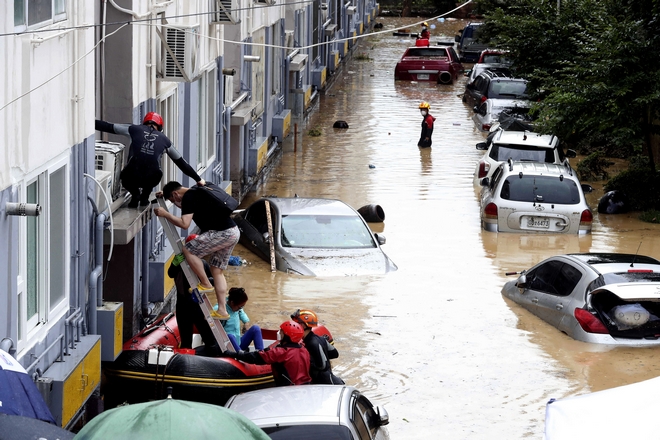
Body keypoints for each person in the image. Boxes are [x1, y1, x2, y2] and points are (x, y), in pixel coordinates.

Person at [154, 181, 240, 320]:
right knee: (217, 270)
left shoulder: (188, 198)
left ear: (176, 194)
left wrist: (165, 214)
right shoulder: (197, 190)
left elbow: (184, 223)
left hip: (222, 233)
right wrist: (166, 195)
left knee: (188, 250)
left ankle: (205, 283)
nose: (175, 203)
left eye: (172, 199)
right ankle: (222, 311)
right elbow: (183, 206)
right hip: (233, 231)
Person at [95, 112, 205, 208]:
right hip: (151, 178)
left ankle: (135, 194)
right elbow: (181, 163)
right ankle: (144, 197)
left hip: (131, 176)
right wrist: (198, 179)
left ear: (144, 123)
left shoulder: (133, 129)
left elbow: (108, 127)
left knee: (125, 175)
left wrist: (90, 122)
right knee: (155, 172)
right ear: (160, 127)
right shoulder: (165, 141)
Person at [220, 321, 311, 386]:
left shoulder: (281, 352)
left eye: (282, 332)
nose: (279, 334)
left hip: (289, 388)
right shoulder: (304, 349)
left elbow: (256, 357)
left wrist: (235, 354)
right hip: (305, 385)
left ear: (287, 336)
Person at [167, 240, 218, 354]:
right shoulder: (180, 264)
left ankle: (207, 357)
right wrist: (173, 264)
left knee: (209, 339)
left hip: (198, 306)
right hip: (183, 307)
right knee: (186, 340)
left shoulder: (202, 264)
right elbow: (170, 273)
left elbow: (213, 281)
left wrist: (201, 281)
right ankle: (188, 360)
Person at [291, 309, 344, 385]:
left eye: (296, 324)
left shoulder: (311, 343)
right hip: (327, 380)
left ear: (303, 325)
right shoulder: (320, 339)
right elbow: (334, 353)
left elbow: (322, 366)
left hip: (326, 384)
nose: (294, 326)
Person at [216, 287, 264, 353]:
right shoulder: (219, 309)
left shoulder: (237, 308)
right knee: (230, 336)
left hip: (238, 343)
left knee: (256, 328)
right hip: (227, 346)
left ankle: (261, 354)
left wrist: (246, 323)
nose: (240, 308)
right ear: (232, 303)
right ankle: (241, 356)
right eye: (240, 307)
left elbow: (242, 312)